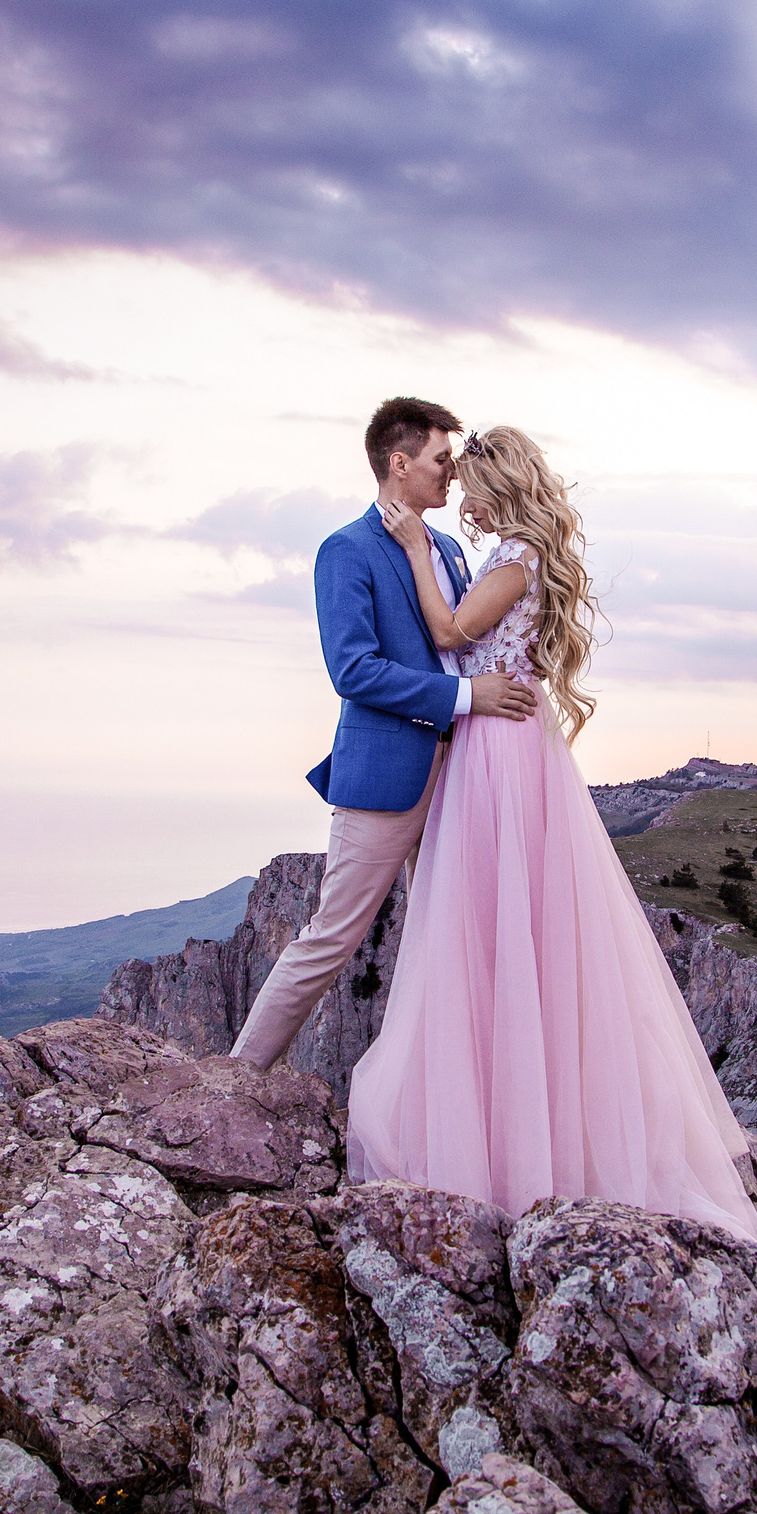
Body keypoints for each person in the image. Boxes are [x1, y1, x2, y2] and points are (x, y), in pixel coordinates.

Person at [345, 425, 757, 1248]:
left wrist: (414, 548)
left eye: (468, 481)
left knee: (492, 927)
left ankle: (510, 1150)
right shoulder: (519, 551)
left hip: (498, 754)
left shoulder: (509, 557)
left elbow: (448, 633)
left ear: (496, 484)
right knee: (523, 933)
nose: (460, 497)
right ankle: (530, 1131)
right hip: (512, 748)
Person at [228, 398, 540, 1070]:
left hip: (464, 774)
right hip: (387, 775)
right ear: (399, 463)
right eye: (439, 460)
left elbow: (460, 639)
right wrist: (467, 697)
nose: (451, 475)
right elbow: (354, 669)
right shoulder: (345, 550)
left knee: (452, 938)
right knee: (331, 936)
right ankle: (235, 1076)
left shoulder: (451, 549)